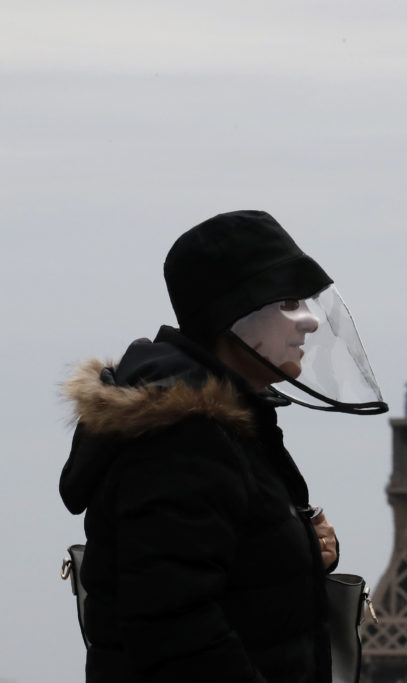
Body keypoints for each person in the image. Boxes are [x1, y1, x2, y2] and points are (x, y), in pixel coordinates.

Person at [59, 210, 388, 683]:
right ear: (231, 315)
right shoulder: (184, 438)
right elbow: (174, 629)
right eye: (288, 302)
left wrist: (300, 553)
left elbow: (210, 576)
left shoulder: (212, 426)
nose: (310, 322)